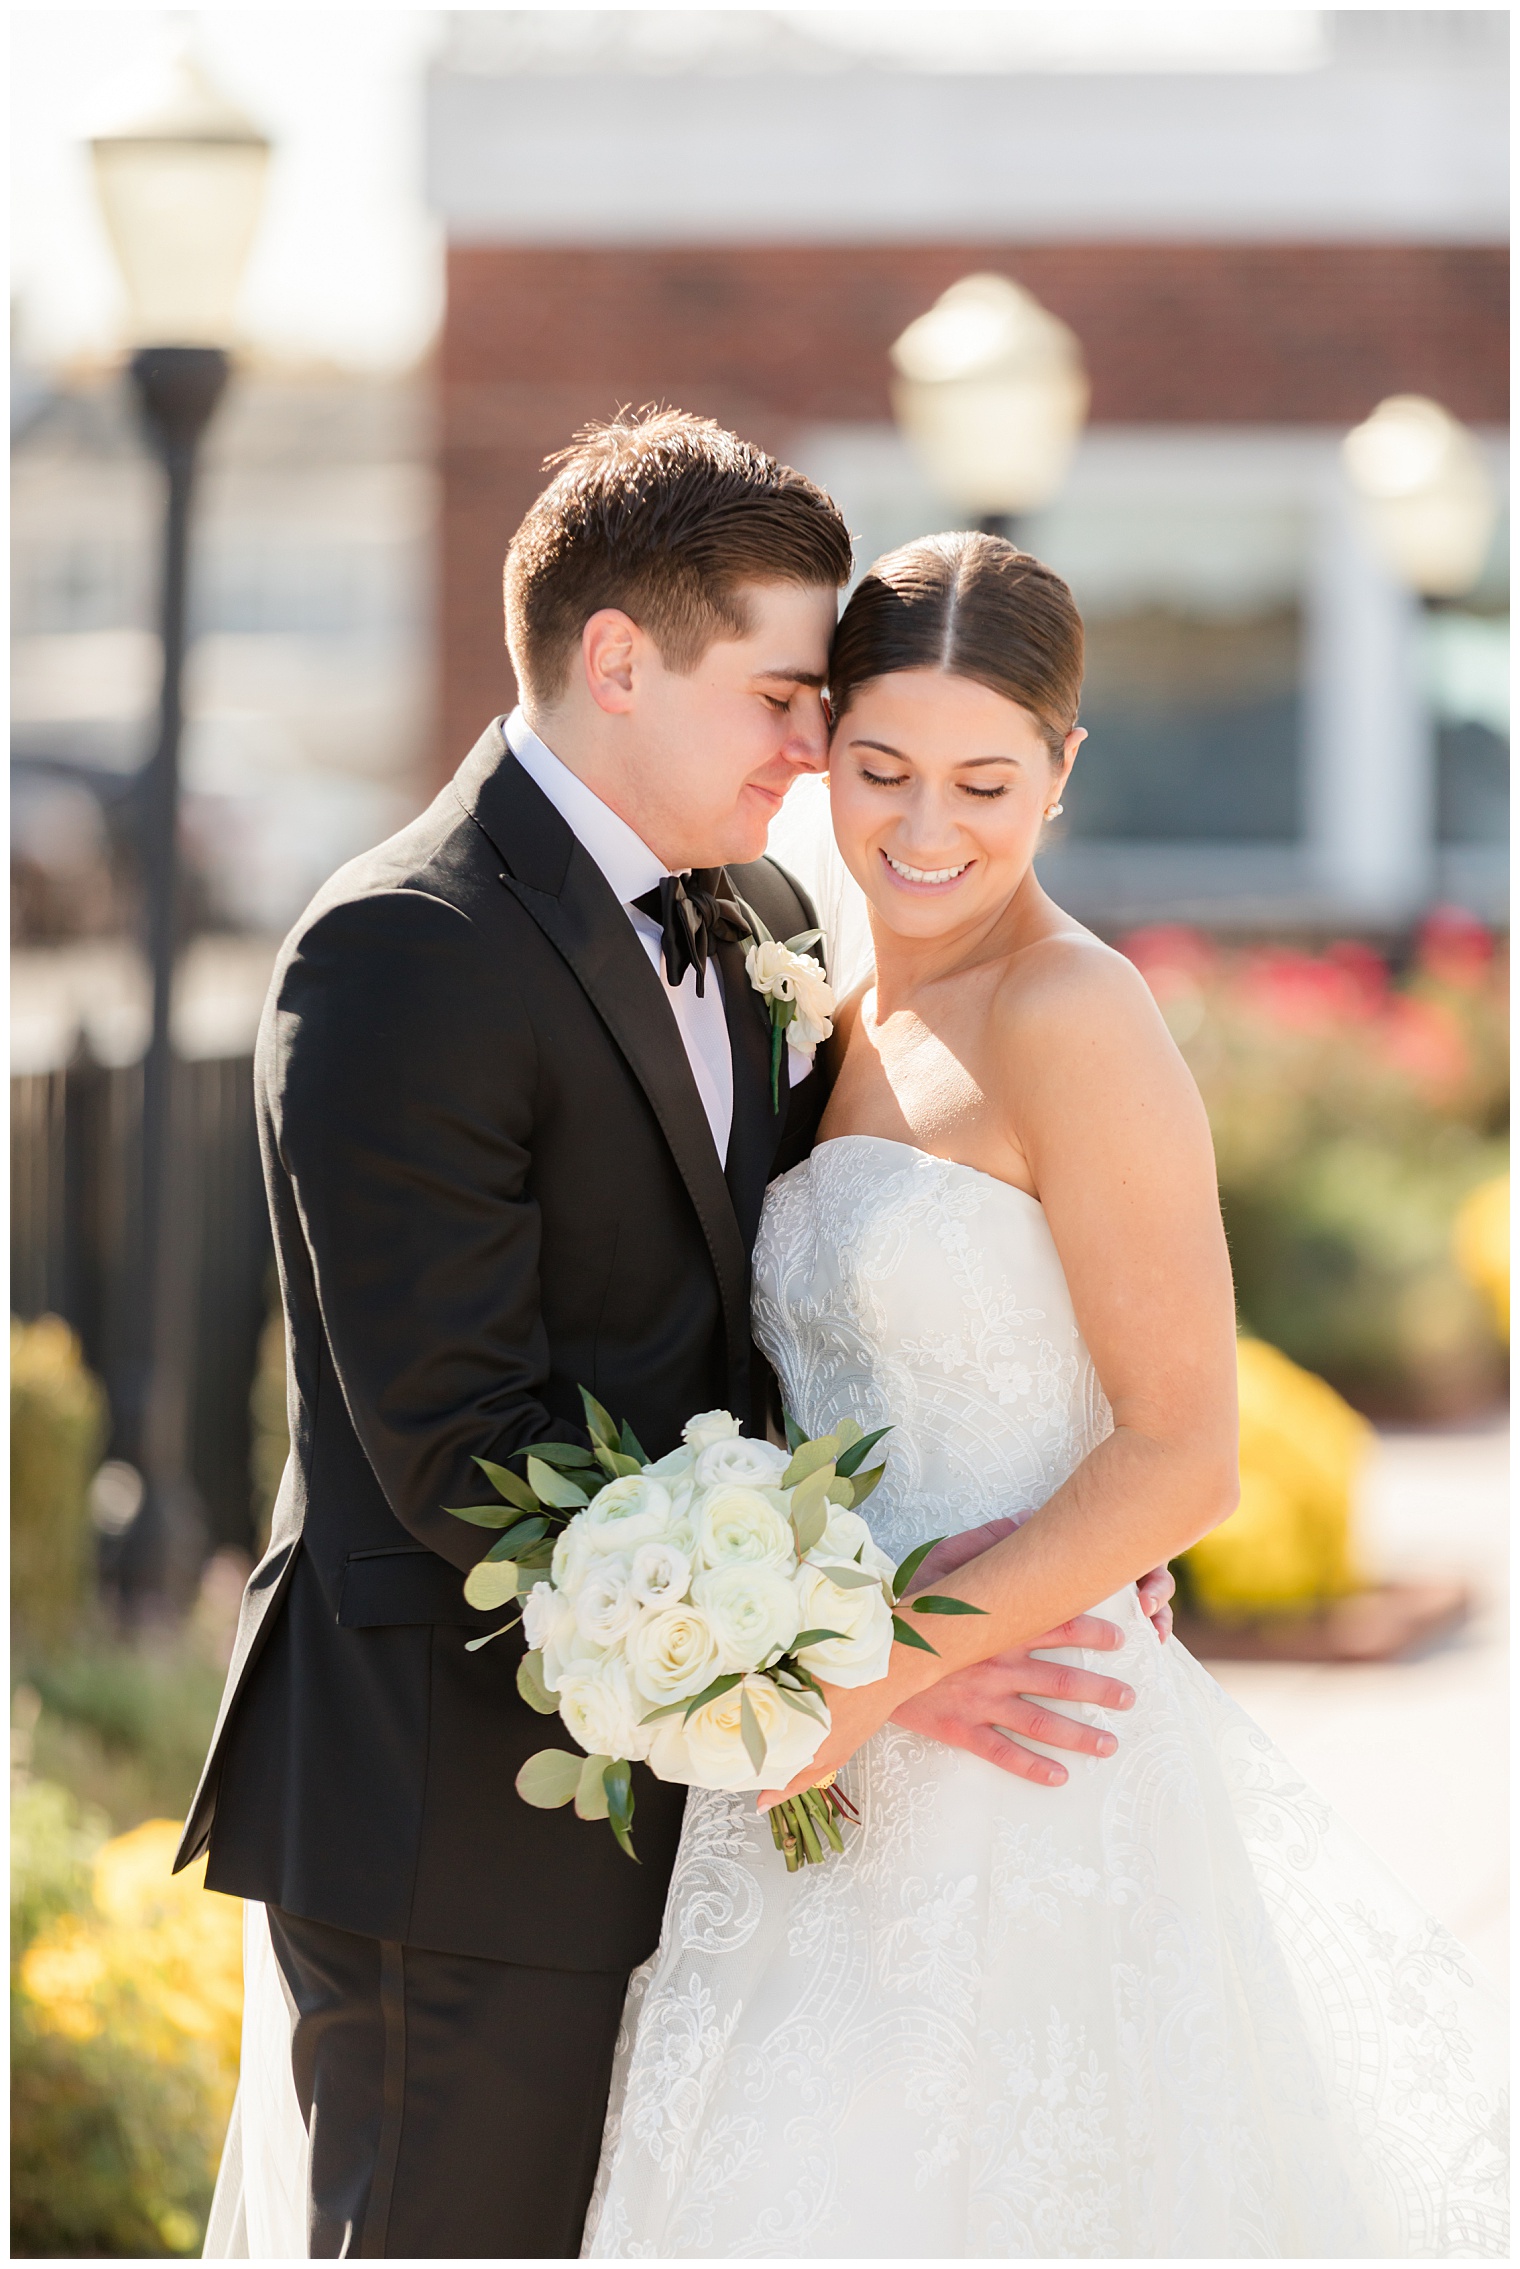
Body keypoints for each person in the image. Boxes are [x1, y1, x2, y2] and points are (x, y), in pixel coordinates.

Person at [187, 415, 1175, 2261]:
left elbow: (796, 1327)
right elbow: (466, 1444)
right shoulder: (402, 948)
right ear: (620, 659)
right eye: (788, 697)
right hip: (457, 1819)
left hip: (723, 1828)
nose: (817, 752)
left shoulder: (778, 918)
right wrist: (847, 1678)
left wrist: (1048, 1525)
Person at [584, 531, 1508, 2260]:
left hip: (1017, 1768)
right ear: (828, 747)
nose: (926, 831)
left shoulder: (1078, 1013)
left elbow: (1183, 1451)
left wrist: (866, 1678)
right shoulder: (829, 1006)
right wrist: (772, 1664)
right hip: (821, 1766)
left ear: (1065, 770)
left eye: (985, 782)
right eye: (883, 771)